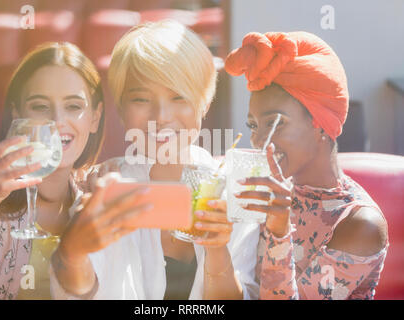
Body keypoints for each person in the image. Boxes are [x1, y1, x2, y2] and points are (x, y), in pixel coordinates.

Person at [50, 20, 260, 300]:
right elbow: (77, 293)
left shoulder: (236, 190)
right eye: (141, 99)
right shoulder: (104, 187)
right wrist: (72, 254)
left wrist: (217, 249)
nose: (161, 116)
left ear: (204, 103)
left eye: (178, 97)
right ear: (122, 110)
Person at [0, 42, 145, 299]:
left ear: (95, 119)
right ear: (17, 116)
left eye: (73, 106)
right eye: (40, 106)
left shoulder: (93, 192)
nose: (56, 121)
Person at [224, 31, 389, 299]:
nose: (258, 141)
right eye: (253, 126)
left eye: (275, 123)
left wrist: (279, 232)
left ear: (320, 125)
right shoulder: (268, 189)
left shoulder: (358, 224)